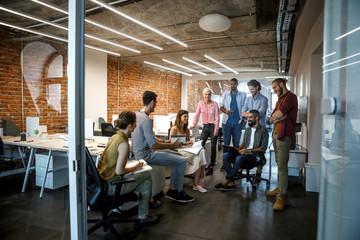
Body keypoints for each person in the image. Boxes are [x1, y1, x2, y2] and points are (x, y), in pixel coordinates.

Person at [97, 111, 159, 226]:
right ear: (130, 125)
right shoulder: (124, 143)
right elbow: (119, 171)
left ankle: (143, 214)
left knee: (145, 184)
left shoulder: (114, 137)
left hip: (103, 182)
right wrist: (135, 168)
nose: (136, 125)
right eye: (135, 122)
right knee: (147, 174)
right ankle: (145, 211)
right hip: (113, 185)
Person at [132, 91, 194, 203]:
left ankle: (172, 188)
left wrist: (166, 141)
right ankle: (177, 191)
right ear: (152, 102)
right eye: (156, 102)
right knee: (181, 161)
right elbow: (154, 145)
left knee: (178, 155)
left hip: (141, 152)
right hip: (147, 155)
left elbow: (150, 137)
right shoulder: (146, 119)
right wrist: (171, 145)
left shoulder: (137, 115)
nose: (156, 105)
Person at [214, 110, 268, 191]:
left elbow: (263, 148)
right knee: (225, 155)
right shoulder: (248, 130)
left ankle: (228, 179)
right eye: (248, 117)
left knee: (239, 158)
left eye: (250, 117)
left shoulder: (263, 130)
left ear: (257, 118)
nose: (248, 119)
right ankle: (231, 182)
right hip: (244, 154)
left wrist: (248, 150)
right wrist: (238, 148)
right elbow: (244, 144)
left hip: (255, 156)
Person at [267, 78, 298, 211]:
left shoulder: (291, 97)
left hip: (284, 135)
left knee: (282, 166)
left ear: (281, 84)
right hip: (275, 134)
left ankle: (282, 196)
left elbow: (279, 113)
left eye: (275, 87)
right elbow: (271, 118)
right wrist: (276, 118)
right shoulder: (279, 99)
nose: (274, 90)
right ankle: (280, 188)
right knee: (278, 163)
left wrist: (277, 117)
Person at [170, 110, 210, 193]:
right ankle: (199, 181)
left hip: (186, 150)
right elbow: (171, 144)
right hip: (178, 151)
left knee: (201, 151)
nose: (187, 118)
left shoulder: (187, 130)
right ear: (179, 117)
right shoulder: (174, 129)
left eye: (187, 116)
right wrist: (185, 144)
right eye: (185, 116)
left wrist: (190, 144)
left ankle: (197, 183)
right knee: (200, 156)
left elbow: (187, 143)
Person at [241, 79, 269, 177]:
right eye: (249, 89)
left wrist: (248, 113)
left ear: (257, 87)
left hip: (260, 128)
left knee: (259, 150)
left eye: (252, 89)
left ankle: (259, 171)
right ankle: (240, 168)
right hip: (249, 128)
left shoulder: (264, 99)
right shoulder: (248, 99)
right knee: (246, 147)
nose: (250, 91)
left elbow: (260, 113)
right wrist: (250, 114)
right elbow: (243, 112)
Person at [190, 88, 220, 176]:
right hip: (205, 127)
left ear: (211, 95)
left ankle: (211, 166)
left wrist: (216, 129)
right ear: (203, 95)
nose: (207, 96)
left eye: (209, 94)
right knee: (200, 145)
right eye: (206, 94)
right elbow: (197, 114)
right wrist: (193, 124)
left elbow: (217, 117)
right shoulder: (200, 103)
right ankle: (200, 164)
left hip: (213, 126)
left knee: (213, 146)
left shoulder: (215, 104)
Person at [220, 78, 247, 167]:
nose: (233, 86)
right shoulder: (225, 95)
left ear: (237, 84)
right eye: (231, 84)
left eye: (234, 84)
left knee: (236, 144)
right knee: (226, 143)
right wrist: (226, 112)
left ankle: (236, 162)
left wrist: (243, 119)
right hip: (226, 123)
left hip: (237, 123)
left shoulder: (243, 95)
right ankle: (225, 163)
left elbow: (245, 107)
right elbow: (221, 107)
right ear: (230, 85)